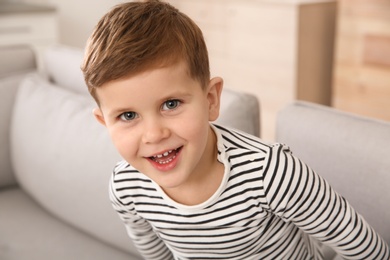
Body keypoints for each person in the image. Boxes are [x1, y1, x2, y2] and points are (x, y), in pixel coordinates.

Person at [81, 1, 389, 259]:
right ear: (105, 122)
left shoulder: (271, 172)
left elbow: (365, 248)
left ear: (211, 99)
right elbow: (156, 253)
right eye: (128, 115)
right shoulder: (126, 188)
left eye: (171, 104)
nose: (154, 134)